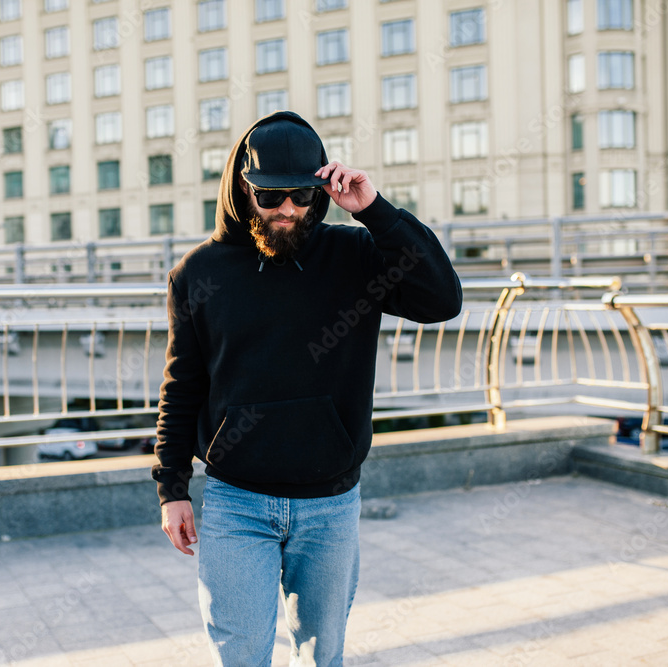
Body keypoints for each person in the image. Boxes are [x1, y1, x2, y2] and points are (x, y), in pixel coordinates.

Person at [152, 110, 463, 666]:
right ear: (244, 190)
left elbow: (442, 300)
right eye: (270, 197)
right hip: (235, 502)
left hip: (330, 504)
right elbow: (182, 385)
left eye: (300, 195)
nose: (287, 210)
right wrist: (172, 487)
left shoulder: (355, 257)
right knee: (242, 658)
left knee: (323, 658)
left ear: (320, 189)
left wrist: (375, 212)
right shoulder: (198, 273)